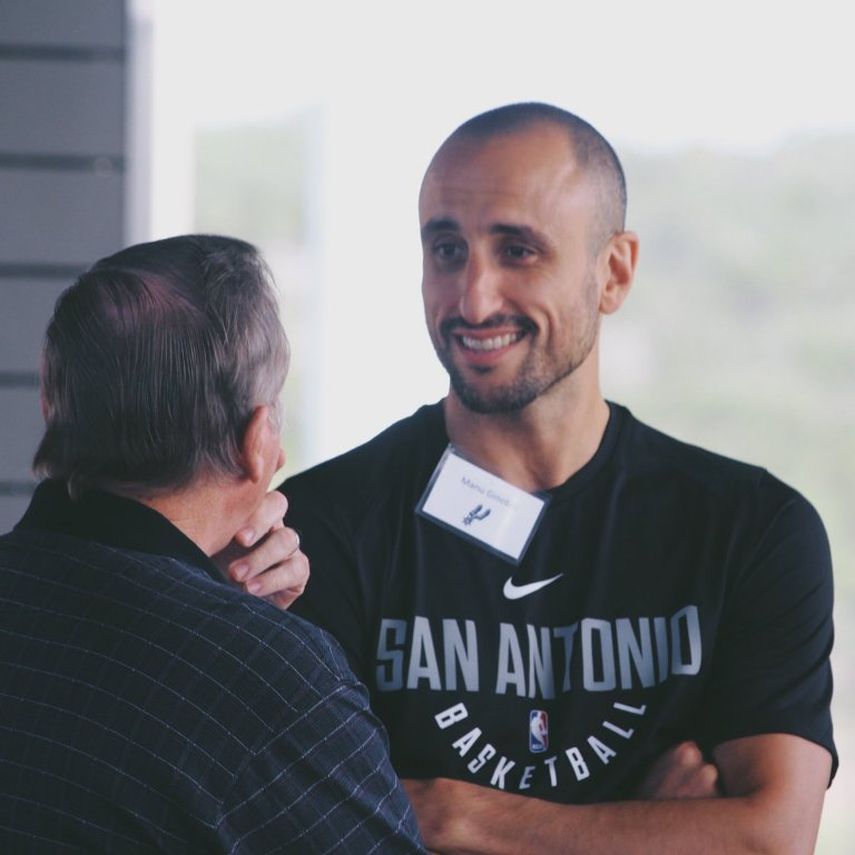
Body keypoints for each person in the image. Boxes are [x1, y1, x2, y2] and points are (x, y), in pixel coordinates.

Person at [282, 104, 836, 853]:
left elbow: (770, 837)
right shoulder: (321, 531)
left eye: (517, 250)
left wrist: (450, 813)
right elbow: (305, 831)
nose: (472, 298)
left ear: (612, 272)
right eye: (447, 250)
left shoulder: (749, 527)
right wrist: (649, 830)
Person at [0, 235, 423, 853]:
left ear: (50, 407)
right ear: (258, 441)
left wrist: (218, 611)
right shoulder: (280, 689)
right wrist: (252, 650)